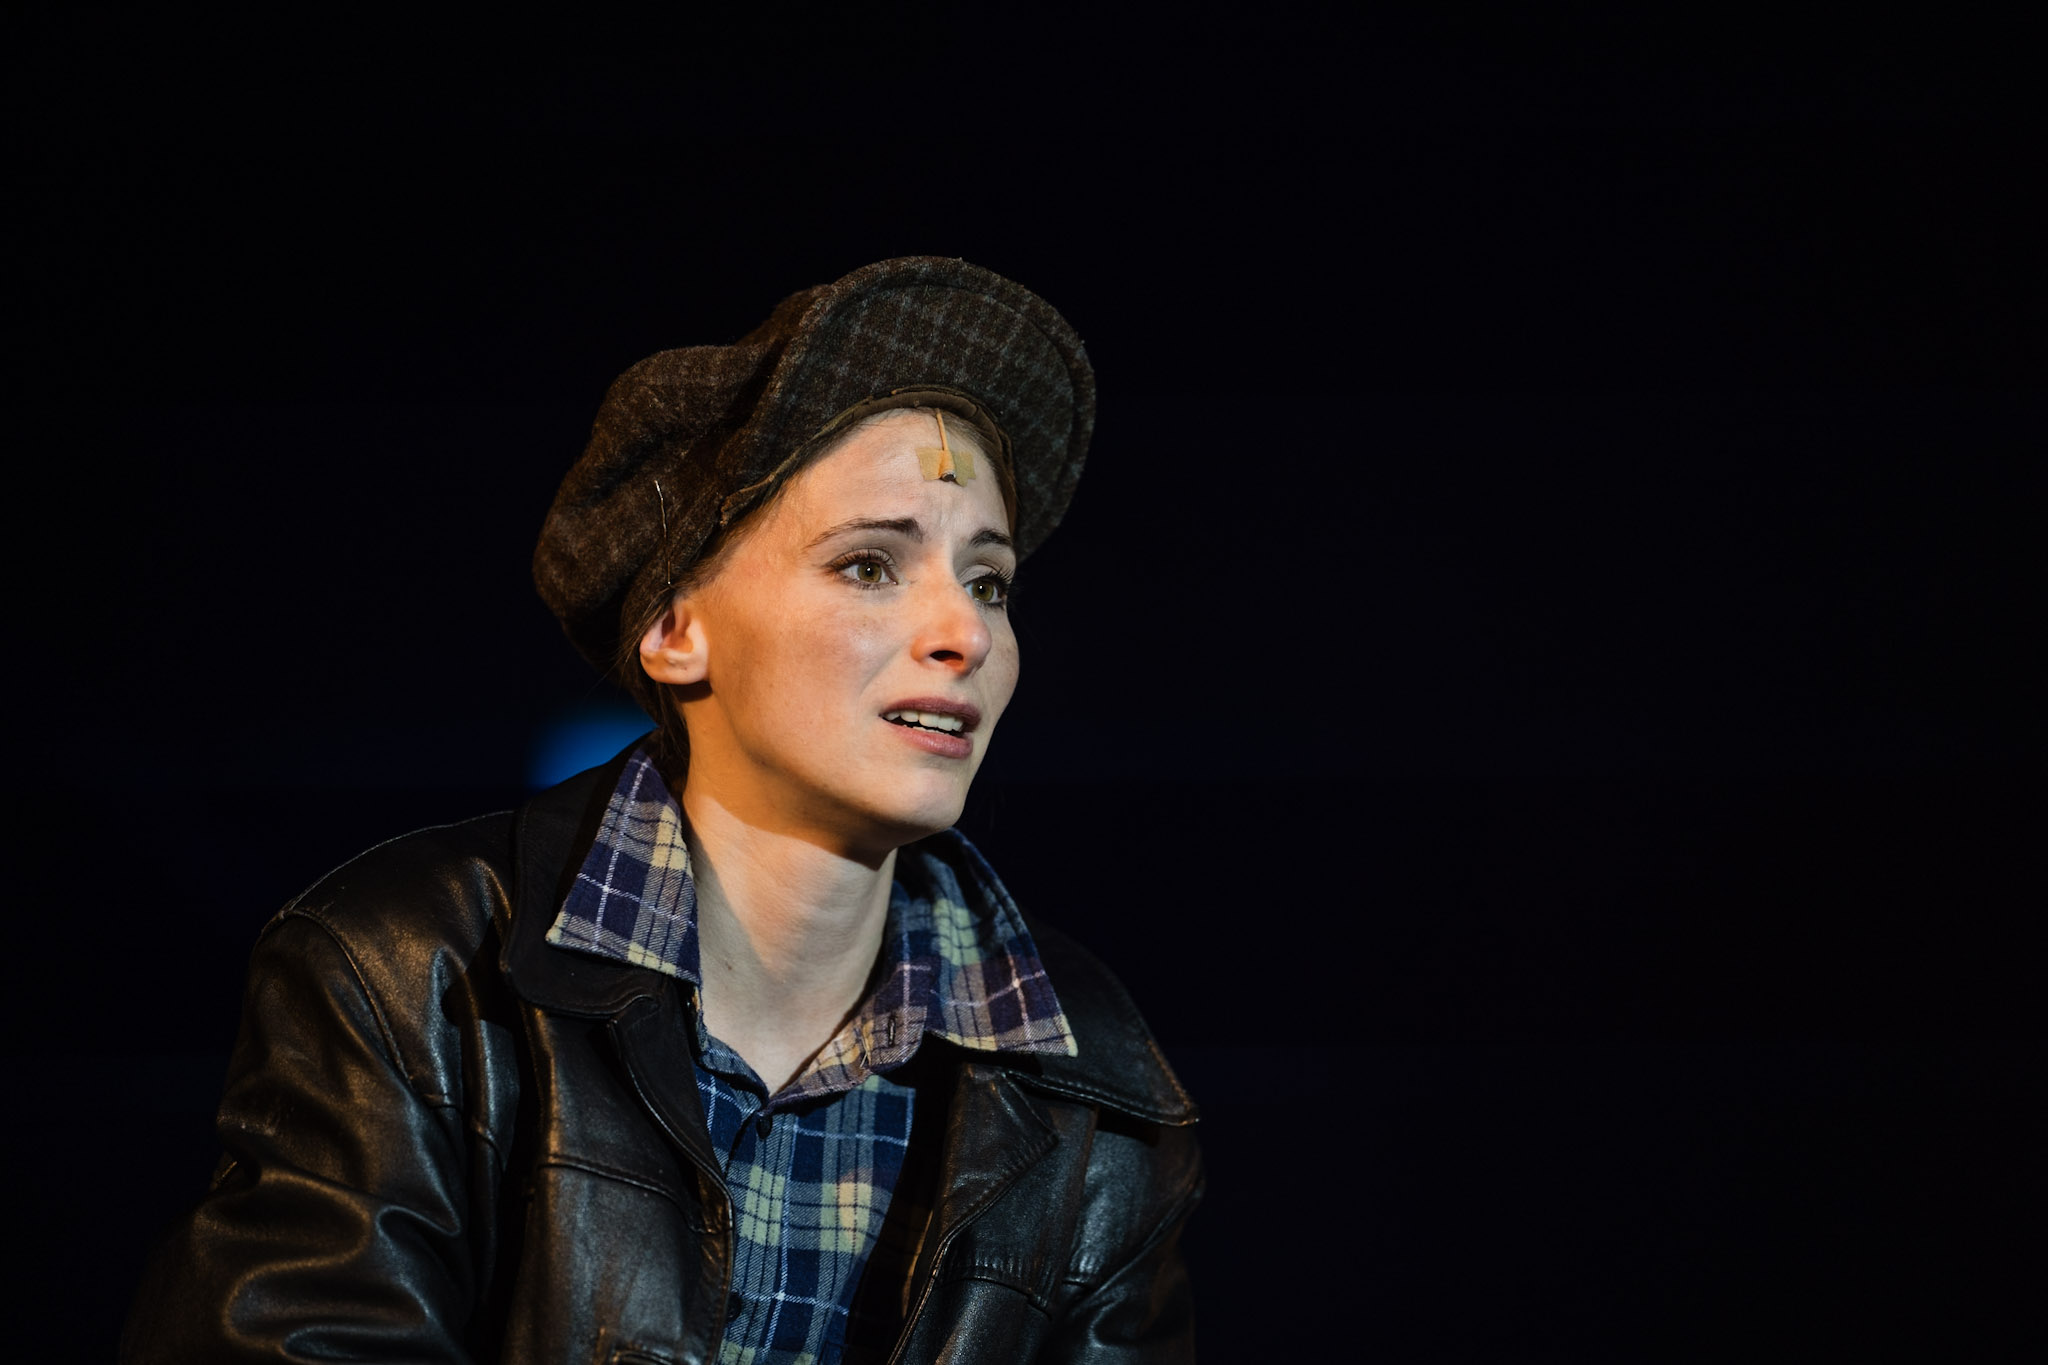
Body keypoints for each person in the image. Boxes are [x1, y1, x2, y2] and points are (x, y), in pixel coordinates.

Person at [122, 257, 1202, 1364]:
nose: (964, 634)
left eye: (988, 582)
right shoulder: (411, 977)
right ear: (675, 629)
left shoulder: (1102, 1093)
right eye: (869, 566)